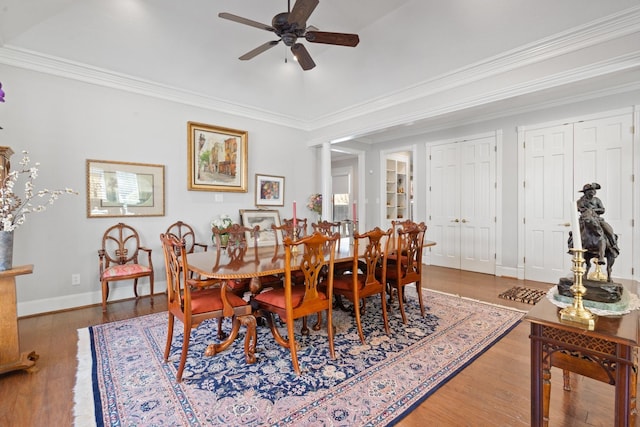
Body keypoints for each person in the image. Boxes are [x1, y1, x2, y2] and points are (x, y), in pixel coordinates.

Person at [576, 182, 619, 253]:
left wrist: (593, 210)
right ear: (585, 192)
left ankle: (613, 245)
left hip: (597, 219)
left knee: (608, 229)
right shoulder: (580, 201)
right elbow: (578, 209)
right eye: (590, 190)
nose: (593, 191)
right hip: (585, 219)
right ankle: (573, 245)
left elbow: (602, 210)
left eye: (593, 190)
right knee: (575, 233)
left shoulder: (597, 200)